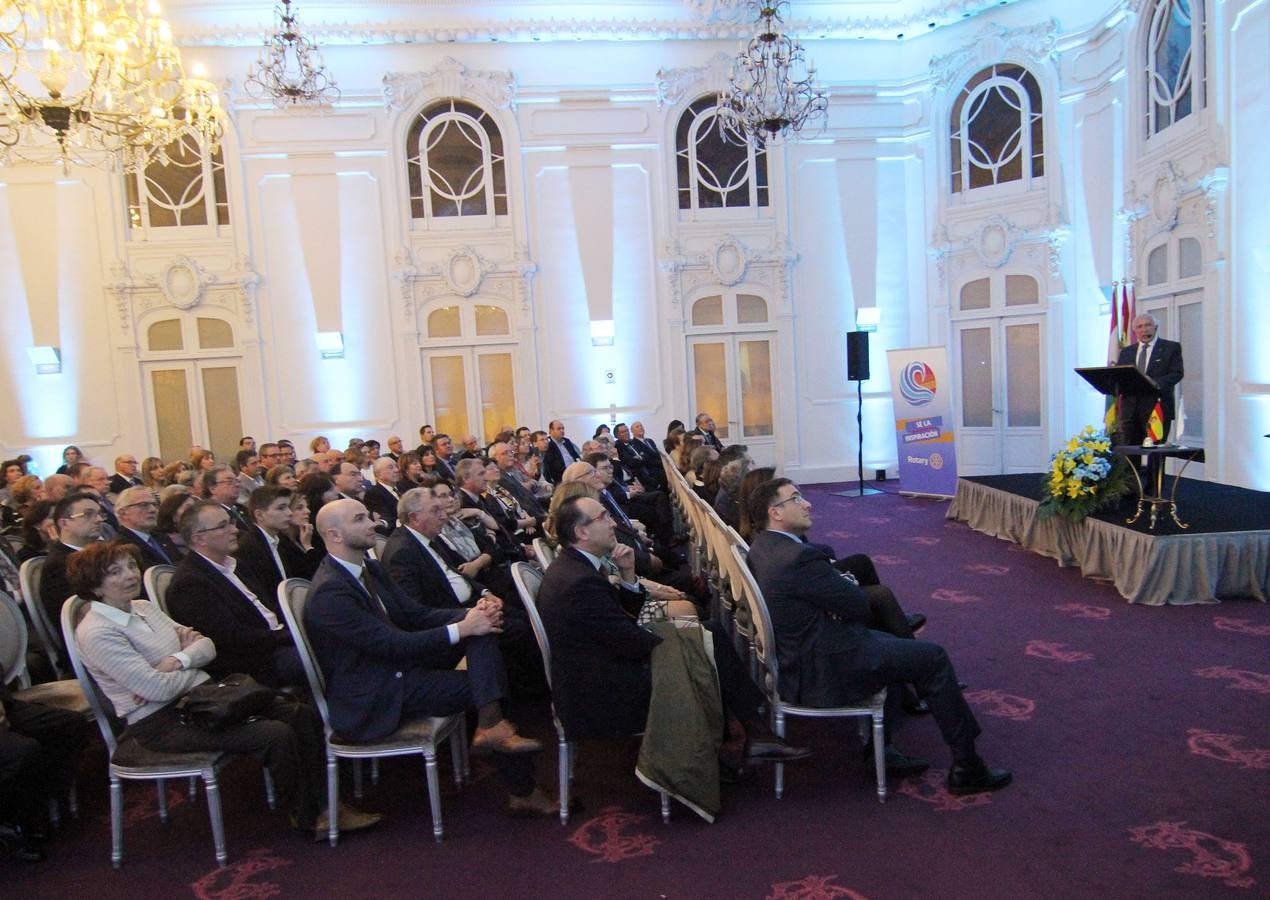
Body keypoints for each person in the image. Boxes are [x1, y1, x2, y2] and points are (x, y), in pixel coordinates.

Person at [69, 541, 379, 842]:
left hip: (200, 699)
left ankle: (330, 803)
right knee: (274, 734)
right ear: (94, 585)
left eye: (132, 565)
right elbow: (155, 688)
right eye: (115, 571)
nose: (130, 575)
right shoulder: (97, 632)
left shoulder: (144, 608)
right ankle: (310, 816)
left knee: (300, 713)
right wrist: (186, 665)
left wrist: (177, 660)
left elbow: (207, 646)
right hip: (160, 722)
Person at [744, 477, 1011, 794]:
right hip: (824, 667)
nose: (807, 503)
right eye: (797, 498)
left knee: (897, 648)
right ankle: (968, 767)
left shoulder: (762, 548)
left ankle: (883, 750)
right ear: (776, 512)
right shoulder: (798, 559)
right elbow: (859, 605)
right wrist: (844, 588)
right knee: (933, 658)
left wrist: (837, 594)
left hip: (802, 655)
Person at [302, 499, 559, 817]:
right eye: (360, 519)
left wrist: (471, 614)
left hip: (398, 668)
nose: (372, 523)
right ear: (334, 535)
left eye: (368, 516)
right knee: (485, 683)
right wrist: (462, 629)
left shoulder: (368, 567)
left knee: (484, 637)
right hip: (376, 692)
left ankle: (492, 728)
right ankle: (520, 783)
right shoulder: (331, 593)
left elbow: (414, 614)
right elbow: (393, 645)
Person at [536, 494, 807, 777]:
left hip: (605, 666)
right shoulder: (580, 582)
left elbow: (624, 622)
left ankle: (750, 733)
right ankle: (746, 735)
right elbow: (631, 642)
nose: (612, 522)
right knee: (704, 641)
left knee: (708, 633)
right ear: (582, 532)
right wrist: (683, 640)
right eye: (603, 517)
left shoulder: (578, 566)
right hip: (603, 692)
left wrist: (629, 574)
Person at [166, 501, 305, 689]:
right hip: (253, 664)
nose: (235, 530)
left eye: (231, 522)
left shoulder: (236, 564)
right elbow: (233, 639)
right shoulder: (190, 583)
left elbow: (270, 607)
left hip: (276, 642)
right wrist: (288, 636)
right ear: (200, 539)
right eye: (223, 526)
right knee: (329, 653)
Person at [1116, 312, 1184, 445]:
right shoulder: (1126, 352)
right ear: (1135, 331)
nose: (1144, 329)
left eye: (1148, 325)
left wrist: (1155, 383)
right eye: (1140, 327)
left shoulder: (1171, 348)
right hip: (1130, 411)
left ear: (1155, 327)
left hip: (1157, 409)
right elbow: (1120, 377)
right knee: (1129, 454)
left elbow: (1177, 373)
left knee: (1155, 456)